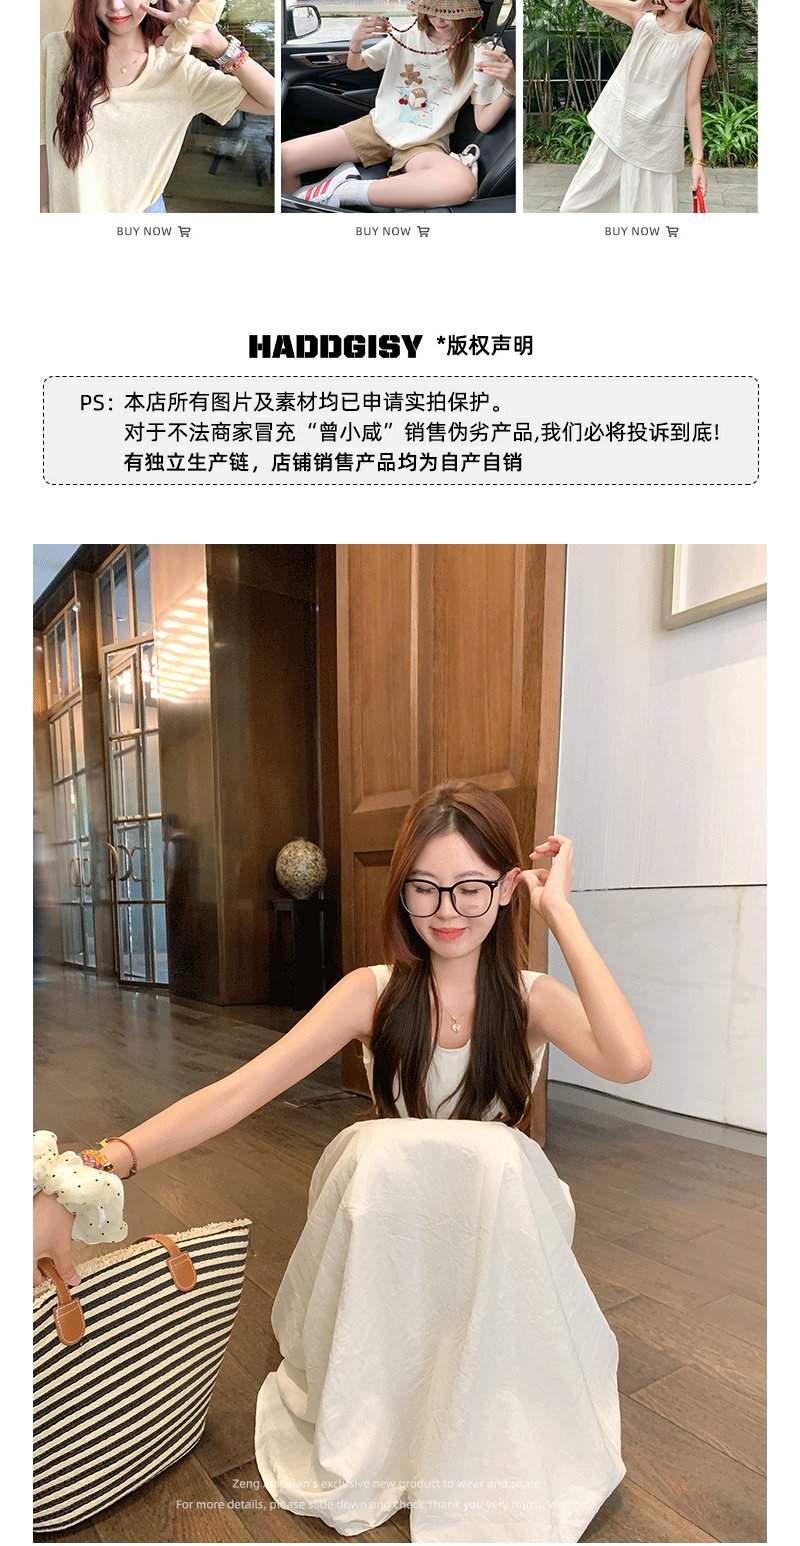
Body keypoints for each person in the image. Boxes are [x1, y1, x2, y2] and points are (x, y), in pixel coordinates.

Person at [34, 780, 652, 1541]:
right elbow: (241, 1091)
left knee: (497, 1156)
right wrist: (91, 1169)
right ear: (401, 890)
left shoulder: (531, 998)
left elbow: (629, 1061)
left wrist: (561, 914)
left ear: (506, 887)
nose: (447, 911)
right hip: (394, 1233)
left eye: (470, 888)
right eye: (424, 888)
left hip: (492, 1233)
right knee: (378, 1149)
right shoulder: (374, 992)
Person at [40, 0, 275, 214]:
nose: (116, 5)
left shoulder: (179, 70)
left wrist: (215, 44)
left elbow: (271, 102)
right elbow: (40, 136)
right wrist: (42, 204)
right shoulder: (56, 50)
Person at [282, 3, 516, 210]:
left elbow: (483, 123)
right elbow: (356, 64)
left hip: (425, 141)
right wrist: (356, 42)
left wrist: (511, 87)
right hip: (377, 127)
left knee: (461, 183)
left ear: (465, 12)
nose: (439, 19)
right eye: (432, 10)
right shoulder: (408, 35)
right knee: (283, 157)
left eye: (448, 12)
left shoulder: (481, 55)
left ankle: (345, 190)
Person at [559, 0, 714, 214]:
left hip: (656, 146)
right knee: (572, 209)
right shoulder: (643, 21)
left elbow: (692, 101)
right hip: (616, 134)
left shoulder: (699, 41)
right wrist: (635, 6)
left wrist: (698, 162)